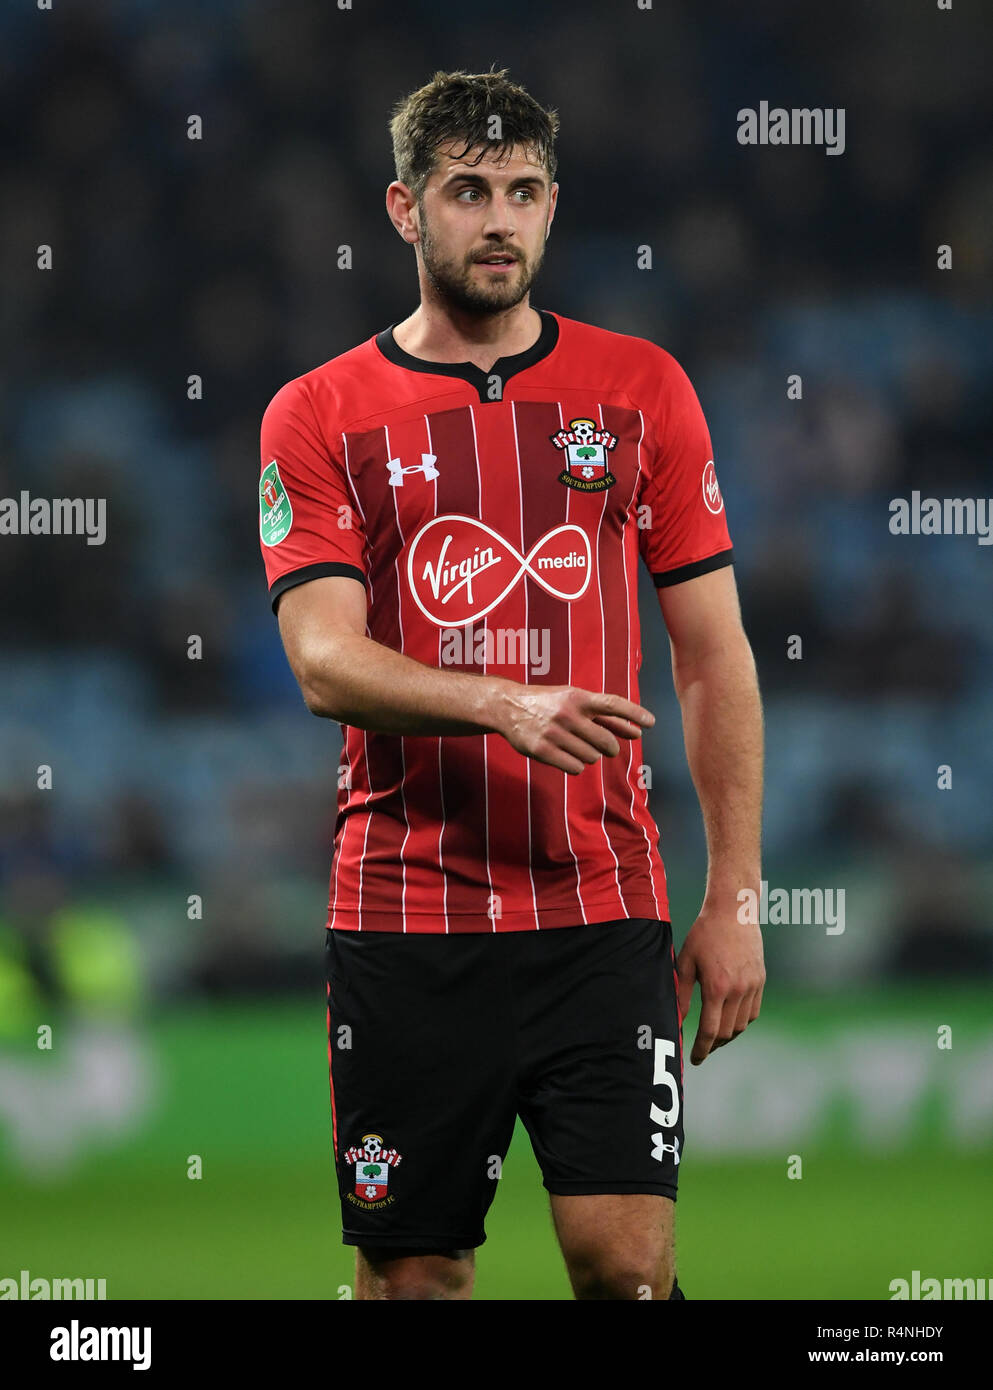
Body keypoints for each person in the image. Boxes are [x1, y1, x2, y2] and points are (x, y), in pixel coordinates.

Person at [258, 67, 765, 1301]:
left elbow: (713, 655)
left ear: (552, 208)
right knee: (418, 1276)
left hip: (602, 908)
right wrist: (502, 701)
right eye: (467, 190)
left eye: (525, 192)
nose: (499, 218)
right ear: (403, 209)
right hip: (405, 917)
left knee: (626, 1266)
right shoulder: (317, 414)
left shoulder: (642, 391)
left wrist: (738, 891)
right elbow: (323, 661)